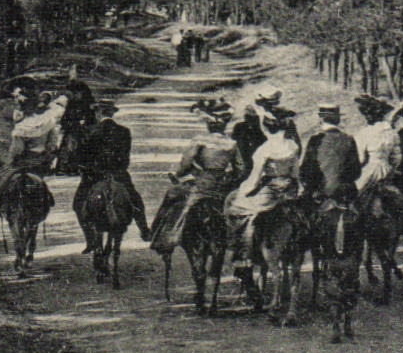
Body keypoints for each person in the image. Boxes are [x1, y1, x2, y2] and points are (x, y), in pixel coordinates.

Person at [149, 98, 245, 254]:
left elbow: (185, 164)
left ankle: (162, 237)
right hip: (222, 188)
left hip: (201, 185)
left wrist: (178, 173)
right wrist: (229, 178)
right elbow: (240, 169)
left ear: (208, 123)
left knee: (172, 197)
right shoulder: (231, 144)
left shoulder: (199, 141)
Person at [224, 102, 301, 288]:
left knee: (236, 208)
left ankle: (244, 255)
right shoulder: (292, 145)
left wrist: (243, 190)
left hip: (270, 192)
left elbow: (254, 179)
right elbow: (295, 173)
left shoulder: (264, 150)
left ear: (266, 126)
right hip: (290, 189)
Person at [73, 100, 150, 248]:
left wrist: (85, 168)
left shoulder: (91, 131)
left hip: (95, 176)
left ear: (99, 112)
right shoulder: (124, 131)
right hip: (118, 174)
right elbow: (125, 157)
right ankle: (144, 229)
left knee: (78, 204)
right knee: (135, 200)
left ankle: (90, 240)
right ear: (112, 113)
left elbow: (82, 157)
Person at [0, 94, 66, 220]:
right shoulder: (47, 123)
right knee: (41, 182)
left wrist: (11, 159)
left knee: (0, 179)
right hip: (40, 162)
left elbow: (16, 150)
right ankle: (47, 200)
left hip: (22, 162)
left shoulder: (21, 127)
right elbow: (51, 146)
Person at [300, 103, 361, 204]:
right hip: (343, 193)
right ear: (338, 120)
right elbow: (356, 171)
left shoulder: (315, 140)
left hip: (321, 193)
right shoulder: (349, 139)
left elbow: (306, 170)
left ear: (321, 119)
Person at [353, 94, 400, 198]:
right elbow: (396, 158)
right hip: (387, 172)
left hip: (370, 172)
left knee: (353, 197)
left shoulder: (364, 133)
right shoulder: (392, 133)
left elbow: (360, 159)